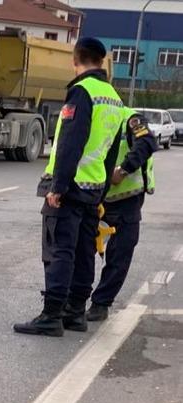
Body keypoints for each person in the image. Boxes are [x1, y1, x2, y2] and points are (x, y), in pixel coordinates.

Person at [14, 37, 125, 337]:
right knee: (83, 250)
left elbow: (69, 144)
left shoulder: (81, 92)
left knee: (59, 249)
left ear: (75, 59)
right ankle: (76, 312)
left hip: (70, 186)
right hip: (93, 188)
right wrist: (101, 190)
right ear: (102, 61)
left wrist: (57, 188)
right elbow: (112, 151)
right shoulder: (114, 96)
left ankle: (51, 315)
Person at [83, 108, 157, 322]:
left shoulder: (130, 118)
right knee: (82, 249)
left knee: (120, 252)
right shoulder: (94, 115)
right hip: (95, 193)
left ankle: (101, 303)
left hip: (126, 197)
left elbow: (147, 143)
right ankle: (76, 299)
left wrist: (124, 170)